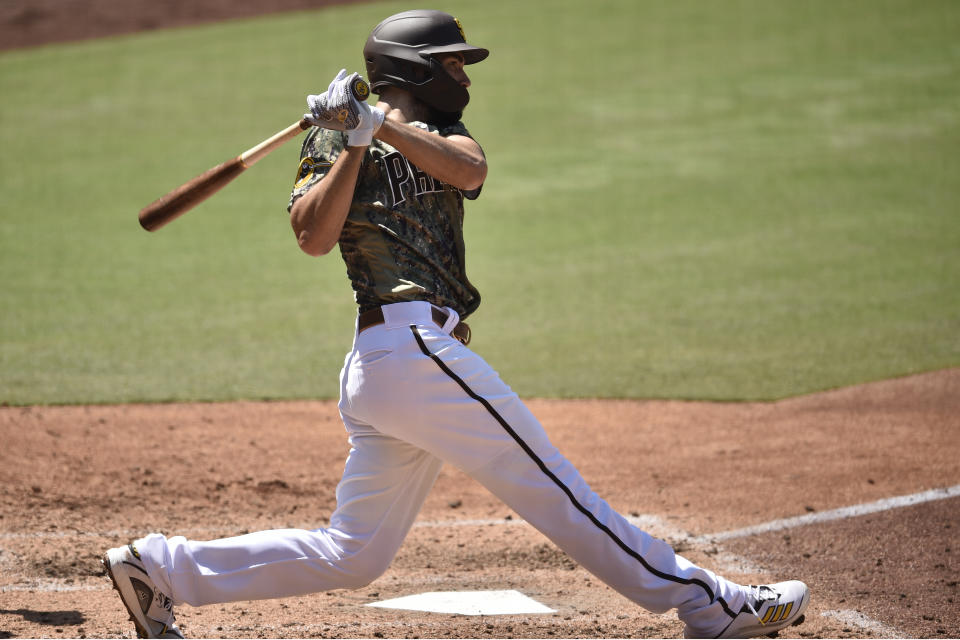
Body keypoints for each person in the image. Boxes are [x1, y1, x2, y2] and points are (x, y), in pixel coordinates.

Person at [103, 10, 810, 639]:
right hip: (404, 352)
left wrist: (379, 126)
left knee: (354, 554)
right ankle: (710, 604)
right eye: (451, 63)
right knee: (557, 490)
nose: (463, 77)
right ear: (415, 67)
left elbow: (468, 171)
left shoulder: (441, 134)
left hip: (402, 367)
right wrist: (350, 141)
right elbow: (313, 237)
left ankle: (158, 570)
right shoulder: (330, 144)